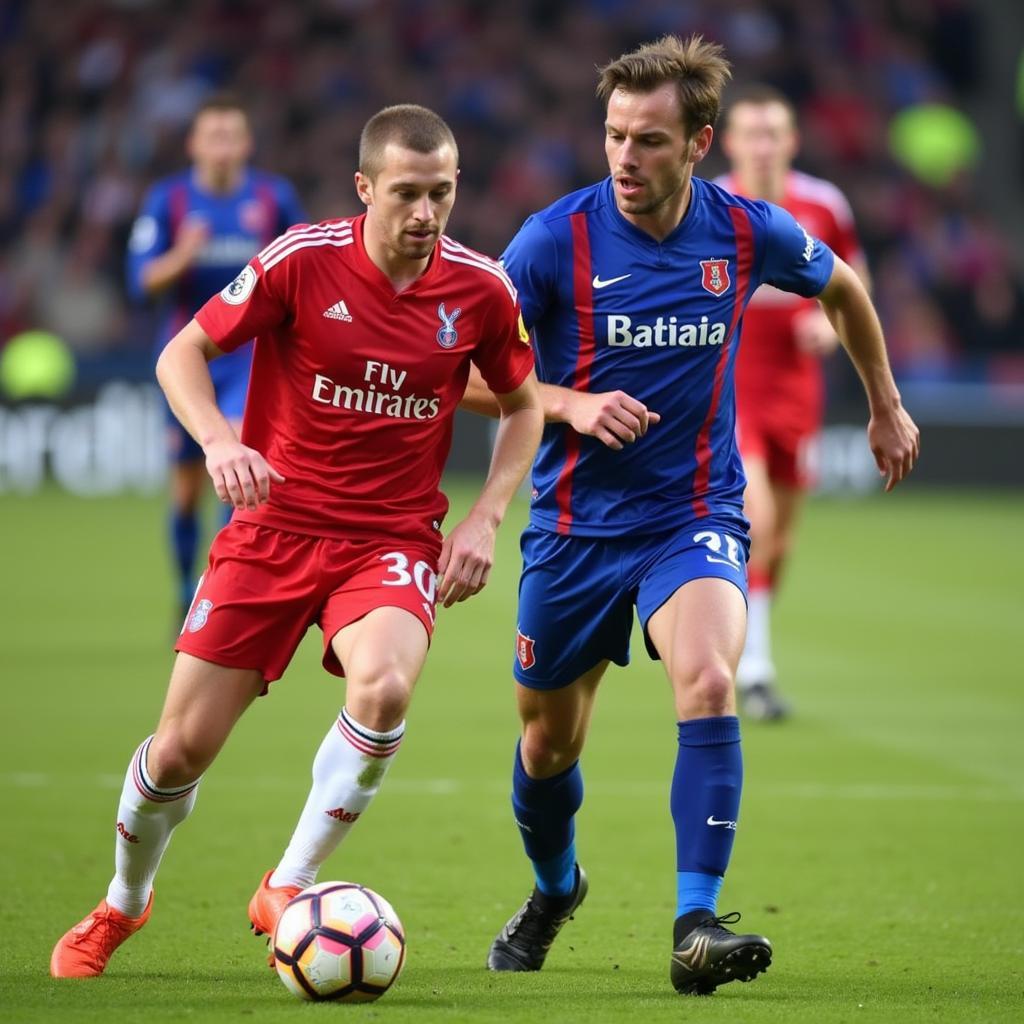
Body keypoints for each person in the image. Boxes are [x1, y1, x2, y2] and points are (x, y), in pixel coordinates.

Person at [462, 35, 918, 996]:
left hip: (692, 513)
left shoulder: (747, 230)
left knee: (708, 678)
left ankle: (695, 921)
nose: (626, 158)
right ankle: (555, 888)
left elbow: (841, 286)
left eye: (651, 140)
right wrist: (569, 403)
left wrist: (884, 401)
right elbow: (465, 368)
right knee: (549, 745)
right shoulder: (555, 238)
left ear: (699, 143)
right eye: (615, 136)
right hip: (574, 527)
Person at [50, 103, 543, 979]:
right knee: (177, 753)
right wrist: (219, 441)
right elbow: (181, 354)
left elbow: (522, 402)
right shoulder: (301, 259)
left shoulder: (481, 288)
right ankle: (124, 902)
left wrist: (485, 515)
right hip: (272, 530)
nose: (426, 214)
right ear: (364, 189)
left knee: (385, 688)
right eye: (406, 194)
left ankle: (289, 881)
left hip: (390, 538)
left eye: (441, 193)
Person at [716, 85, 871, 721]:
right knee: (754, 516)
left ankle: (751, 654)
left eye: (771, 133)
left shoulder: (823, 205)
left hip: (796, 388)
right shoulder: (713, 204)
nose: (761, 145)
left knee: (781, 537)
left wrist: (829, 327)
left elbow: (854, 281)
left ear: (791, 142)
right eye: (749, 133)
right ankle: (751, 669)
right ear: (727, 144)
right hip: (728, 385)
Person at [126, 93, 307, 622]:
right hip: (190, 355)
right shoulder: (169, 200)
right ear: (194, 145)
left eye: (233, 136)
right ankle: (187, 588)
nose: (224, 147)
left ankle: (221, 588)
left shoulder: (274, 198)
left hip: (250, 357)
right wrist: (183, 253)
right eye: (214, 136)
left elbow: (307, 265)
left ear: (248, 144)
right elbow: (140, 282)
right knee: (185, 490)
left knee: (234, 462)